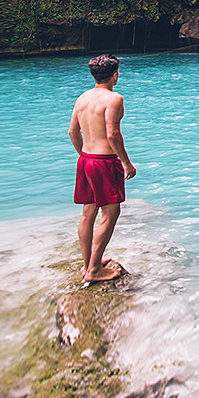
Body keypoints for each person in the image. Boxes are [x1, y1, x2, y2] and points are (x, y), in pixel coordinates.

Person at [69, 53, 137, 282]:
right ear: (115, 75)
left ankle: (88, 263)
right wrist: (126, 162)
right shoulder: (114, 99)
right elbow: (112, 134)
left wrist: (84, 156)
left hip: (86, 159)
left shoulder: (82, 98)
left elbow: (72, 132)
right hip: (104, 162)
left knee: (88, 212)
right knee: (111, 212)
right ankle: (94, 271)